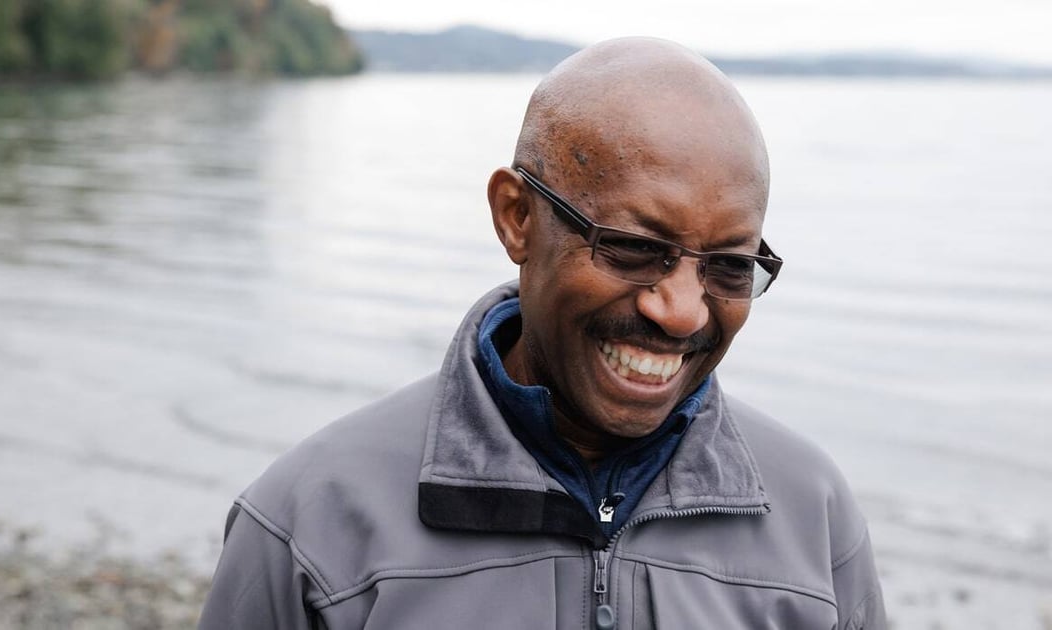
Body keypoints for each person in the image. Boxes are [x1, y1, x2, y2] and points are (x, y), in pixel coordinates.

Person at [199, 37, 885, 629]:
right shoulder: (308, 525)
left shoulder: (814, 515)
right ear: (517, 217)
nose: (683, 312)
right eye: (634, 248)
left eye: (731, 267)